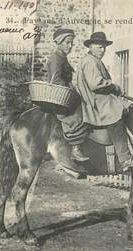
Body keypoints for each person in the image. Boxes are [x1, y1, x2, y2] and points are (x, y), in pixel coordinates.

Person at [76, 32, 133, 172]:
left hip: (100, 97)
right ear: (91, 46)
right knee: (116, 113)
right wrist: (114, 86)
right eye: (100, 47)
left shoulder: (94, 60)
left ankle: (132, 148)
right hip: (95, 99)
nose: (103, 50)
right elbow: (95, 84)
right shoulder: (90, 61)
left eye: (104, 48)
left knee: (126, 106)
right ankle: (125, 160)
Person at [47, 28, 89, 162]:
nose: (70, 46)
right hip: (60, 95)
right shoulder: (55, 58)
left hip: (64, 93)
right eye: (67, 42)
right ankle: (75, 147)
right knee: (80, 113)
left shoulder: (62, 58)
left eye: (71, 43)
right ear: (59, 42)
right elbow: (56, 80)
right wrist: (70, 90)